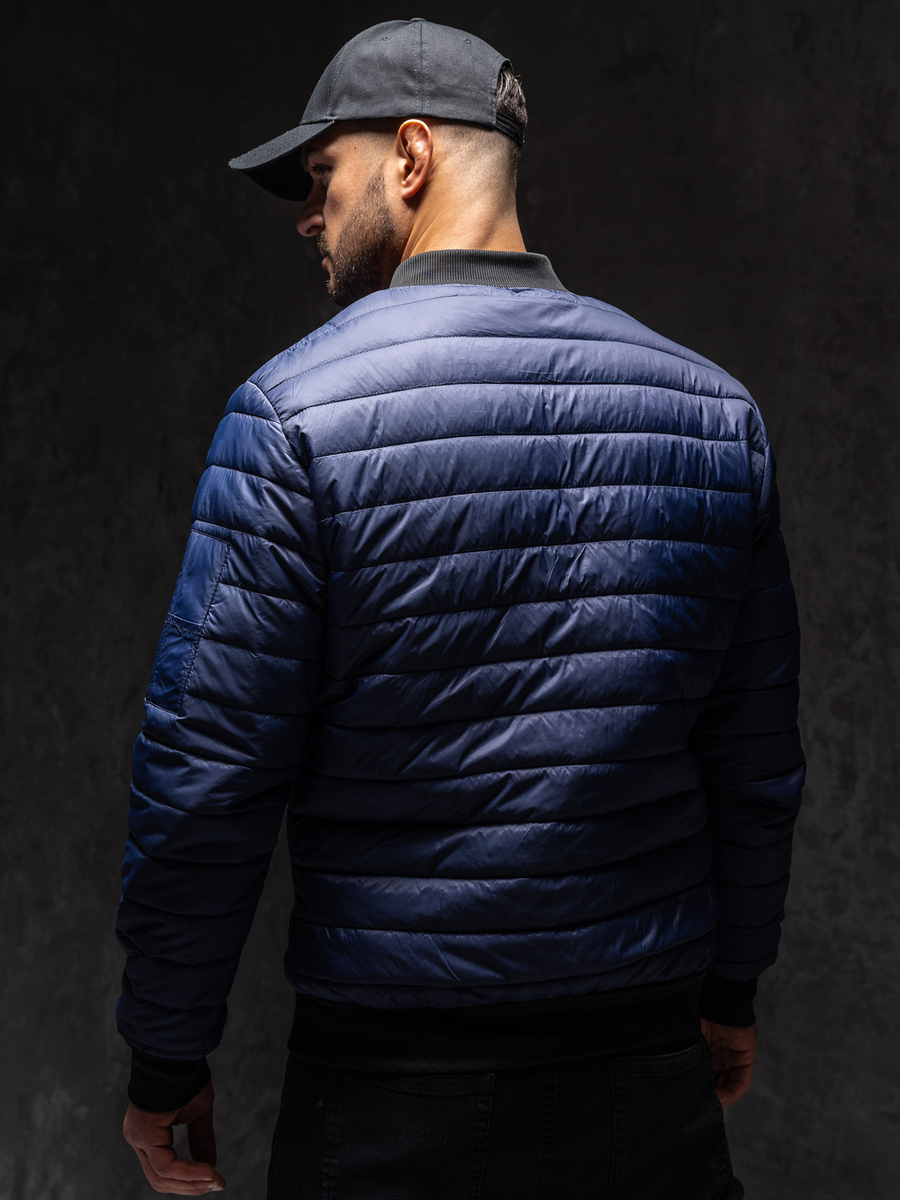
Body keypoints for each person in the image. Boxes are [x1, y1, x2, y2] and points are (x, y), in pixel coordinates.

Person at [116, 17, 805, 1199]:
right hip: (646, 1082)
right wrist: (731, 988)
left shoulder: (292, 421)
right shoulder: (713, 416)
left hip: (391, 1098)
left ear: (412, 156)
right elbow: (755, 763)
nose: (308, 214)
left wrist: (166, 1054)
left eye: (321, 174)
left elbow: (205, 784)